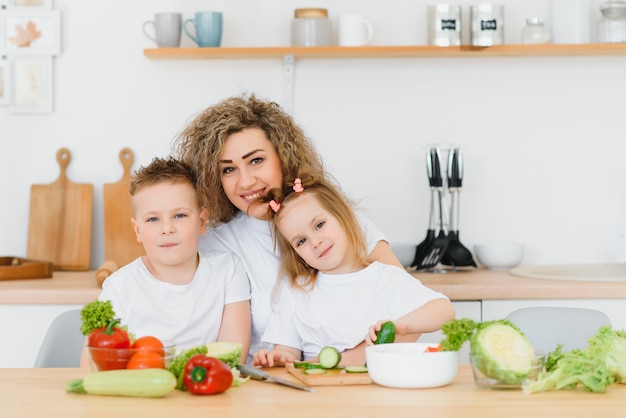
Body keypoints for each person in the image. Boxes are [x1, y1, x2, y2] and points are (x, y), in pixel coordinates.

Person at [174, 93, 407, 363]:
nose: (246, 181)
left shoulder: (341, 223)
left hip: (362, 383)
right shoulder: (214, 245)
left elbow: (410, 317)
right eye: (228, 170)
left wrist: (335, 365)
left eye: (256, 160)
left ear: (283, 157)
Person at [250, 174, 455, 367]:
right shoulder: (296, 291)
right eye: (301, 241)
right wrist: (278, 357)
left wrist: (401, 326)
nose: (315, 241)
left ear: (343, 216)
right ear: (296, 253)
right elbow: (288, 350)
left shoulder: (387, 278)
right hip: (319, 397)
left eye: (320, 225)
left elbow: (445, 309)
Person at [81, 157, 251, 366]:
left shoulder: (228, 269)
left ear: (202, 221)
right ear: (138, 230)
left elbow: (234, 355)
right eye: (153, 219)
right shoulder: (119, 287)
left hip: (208, 392)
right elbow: (91, 364)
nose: (167, 229)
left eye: (179, 215)